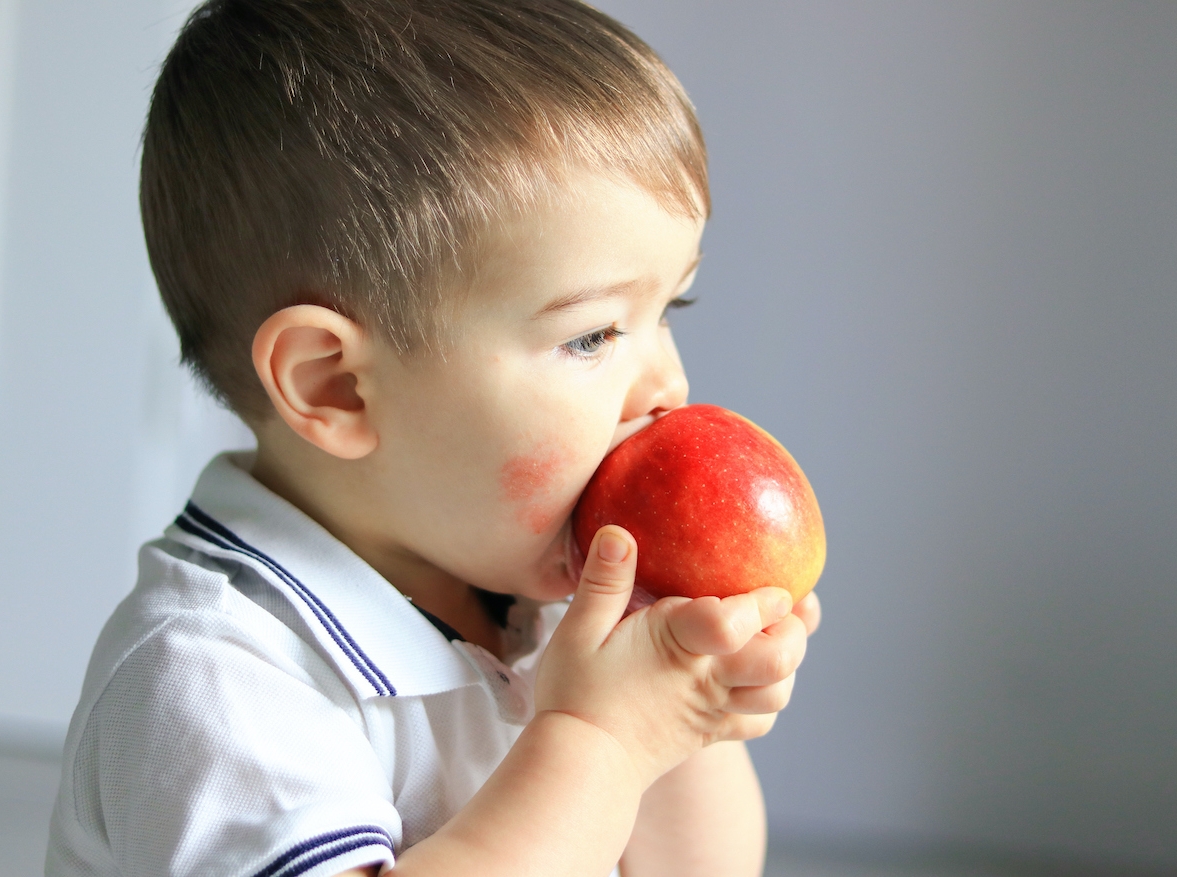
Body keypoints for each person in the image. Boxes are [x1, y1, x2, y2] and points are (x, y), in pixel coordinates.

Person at [46, 1, 820, 875]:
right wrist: (597, 742)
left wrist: (684, 713)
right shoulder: (208, 674)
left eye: (669, 309)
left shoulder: (535, 597)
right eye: (593, 335)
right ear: (337, 386)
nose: (668, 385)